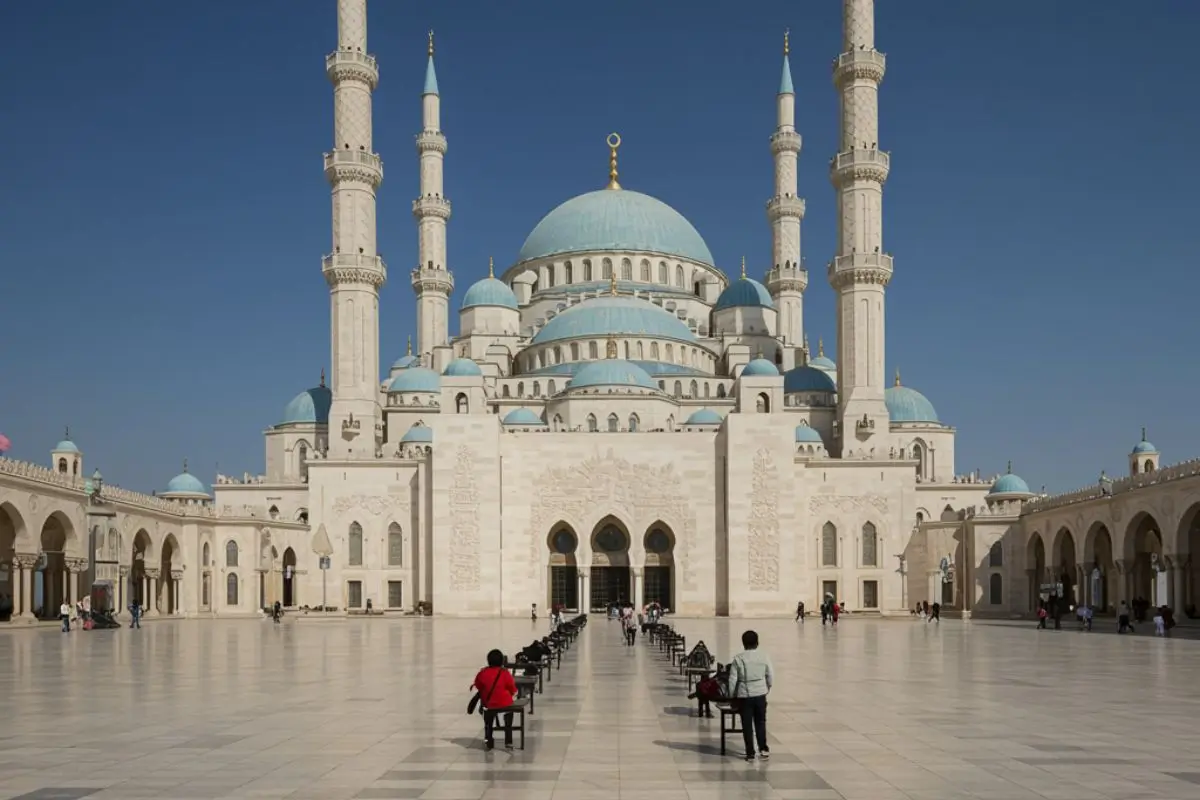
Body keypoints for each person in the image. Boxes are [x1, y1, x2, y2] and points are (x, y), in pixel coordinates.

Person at [731, 629, 773, 762]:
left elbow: (733, 679)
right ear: (757, 643)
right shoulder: (764, 656)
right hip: (760, 693)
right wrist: (767, 687)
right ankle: (763, 749)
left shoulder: (738, 658)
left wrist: (732, 695)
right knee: (761, 722)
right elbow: (770, 675)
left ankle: (750, 752)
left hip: (745, 694)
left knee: (747, 724)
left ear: (743, 643)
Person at [472, 649, 517, 751]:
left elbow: (478, 686)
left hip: (489, 704)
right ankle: (508, 740)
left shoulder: (482, 673)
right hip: (504, 703)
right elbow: (513, 689)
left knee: (488, 719)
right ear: (501, 661)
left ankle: (489, 739)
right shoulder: (505, 673)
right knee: (509, 715)